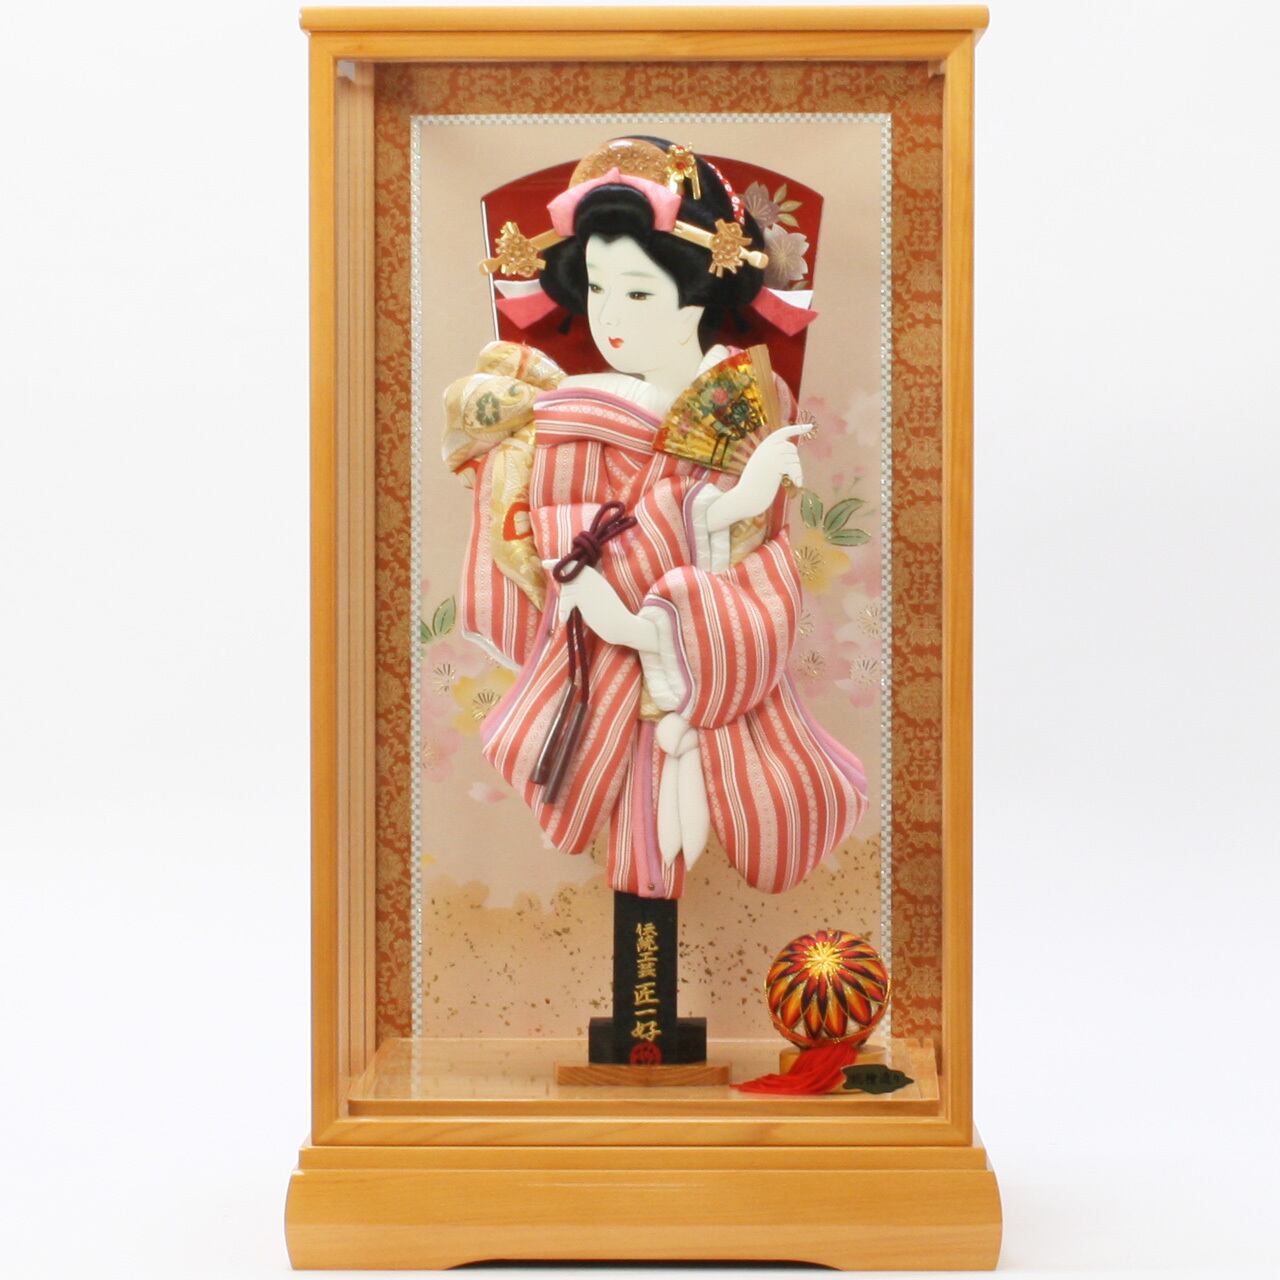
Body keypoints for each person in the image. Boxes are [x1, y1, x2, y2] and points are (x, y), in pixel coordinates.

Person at [442, 137, 867, 900]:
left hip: (698, 637)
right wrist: (632, 555)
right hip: (599, 652)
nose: (608, 318)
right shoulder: (571, 409)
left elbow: (752, 549)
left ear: (697, 296)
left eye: (638, 295)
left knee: (681, 795)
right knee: (646, 826)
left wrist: (725, 522)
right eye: (596, 288)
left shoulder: (746, 402)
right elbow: (561, 524)